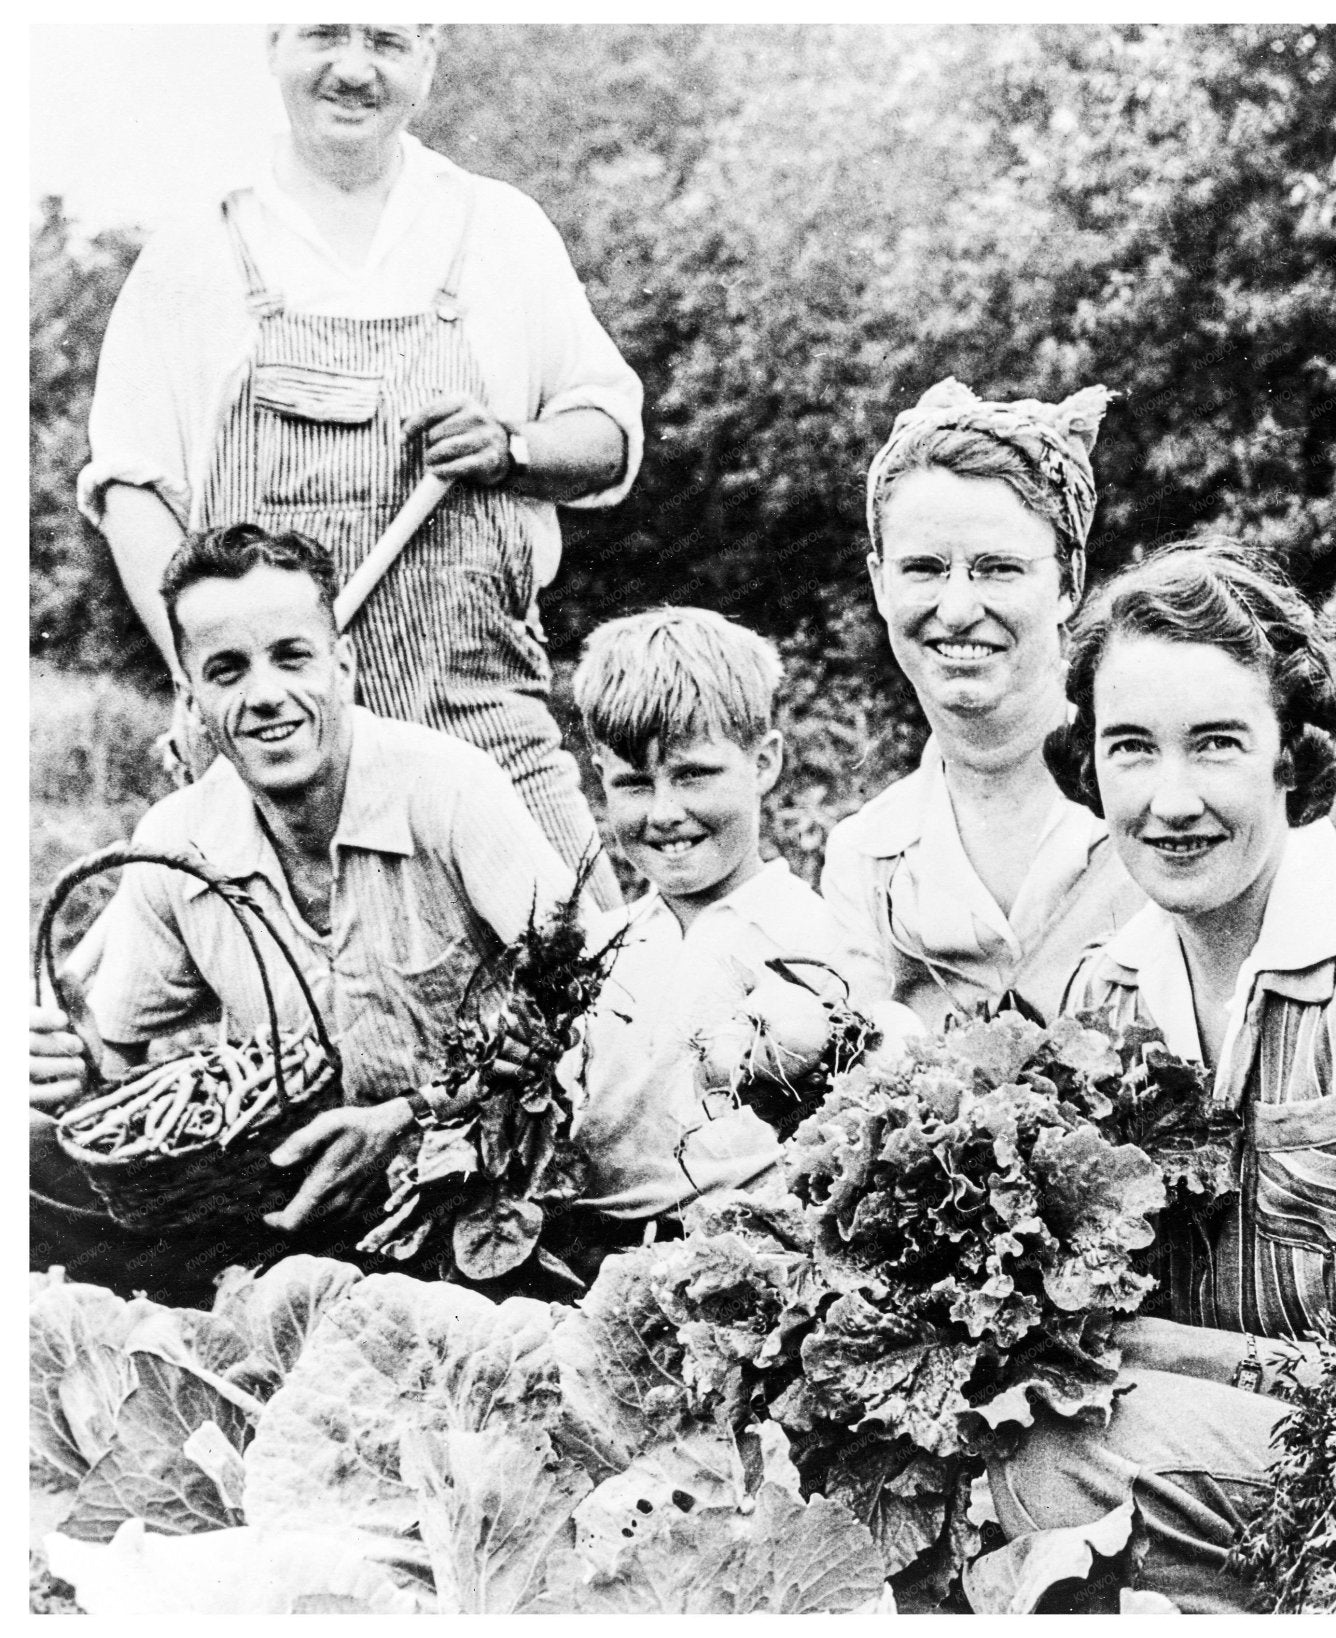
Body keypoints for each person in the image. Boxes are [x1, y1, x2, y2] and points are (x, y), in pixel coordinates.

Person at [988, 540, 1336, 1612]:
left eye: (1214, 744)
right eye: (1130, 749)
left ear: (1289, 755)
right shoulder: (1102, 997)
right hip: (1189, 1473)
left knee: (1055, 1456)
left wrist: (1175, 1365)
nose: (1170, 800)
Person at [80, 24, 641, 898]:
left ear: (429, 58)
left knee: (587, 987)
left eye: (384, 40)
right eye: (324, 36)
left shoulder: (497, 227)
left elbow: (605, 433)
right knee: (281, 1015)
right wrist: (212, 674)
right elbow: (129, 487)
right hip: (276, 745)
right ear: (271, 47)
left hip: (482, 728)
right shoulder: (195, 252)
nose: (352, 68)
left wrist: (513, 448)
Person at [28, 524, 576, 1301]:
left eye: (292, 656)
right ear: (192, 698)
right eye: (227, 670)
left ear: (342, 663)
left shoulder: (450, 790)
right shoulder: (177, 842)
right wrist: (76, 1072)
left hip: (471, 1196)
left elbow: (582, 998)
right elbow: (118, 1067)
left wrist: (408, 1119)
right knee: (28, 1170)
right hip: (281, 1200)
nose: (266, 696)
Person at [554, 606, 906, 1251]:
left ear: (764, 763)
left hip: (741, 1260)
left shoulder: (814, 942)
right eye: (633, 784)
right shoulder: (597, 946)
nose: (664, 812)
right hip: (582, 1252)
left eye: (694, 775)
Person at [821, 377, 1148, 1029]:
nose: (959, 609)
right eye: (924, 569)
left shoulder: (1157, 800)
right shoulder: (866, 858)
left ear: (1068, 584)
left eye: (999, 568)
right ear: (879, 584)